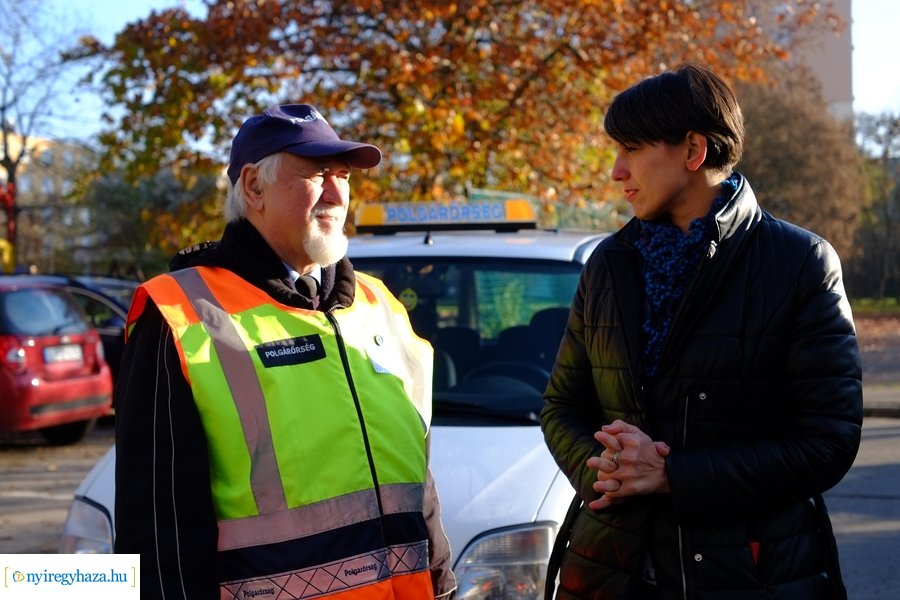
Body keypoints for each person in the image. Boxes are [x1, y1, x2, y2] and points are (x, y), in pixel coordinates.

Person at [540, 64, 862, 599]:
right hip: (610, 570)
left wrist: (673, 475)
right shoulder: (609, 264)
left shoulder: (799, 262)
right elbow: (561, 406)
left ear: (693, 150)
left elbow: (827, 441)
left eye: (632, 149)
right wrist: (605, 471)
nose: (617, 171)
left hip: (753, 575)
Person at [114, 104, 457, 600]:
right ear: (254, 187)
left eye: (343, 176)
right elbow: (156, 529)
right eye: (317, 175)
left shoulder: (379, 304)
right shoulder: (179, 313)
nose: (337, 194)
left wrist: (442, 586)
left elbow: (417, 478)